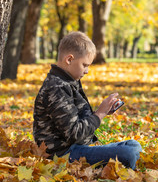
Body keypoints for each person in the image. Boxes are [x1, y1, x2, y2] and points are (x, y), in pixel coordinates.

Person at [33, 31, 142, 169]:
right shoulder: (57, 87)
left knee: (133, 145)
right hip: (62, 155)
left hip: (76, 148)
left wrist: (103, 111)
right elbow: (74, 134)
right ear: (69, 60)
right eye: (85, 65)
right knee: (129, 153)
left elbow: (75, 120)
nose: (87, 71)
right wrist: (99, 114)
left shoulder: (69, 81)